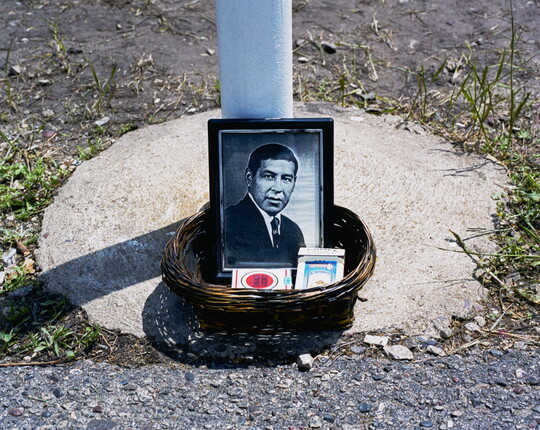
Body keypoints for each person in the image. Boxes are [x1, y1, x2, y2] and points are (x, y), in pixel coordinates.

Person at [224, 143, 305, 267]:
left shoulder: (293, 231)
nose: (278, 188)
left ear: (294, 182)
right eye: (269, 176)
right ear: (249, 178)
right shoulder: (228, 222)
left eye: (286, 179)